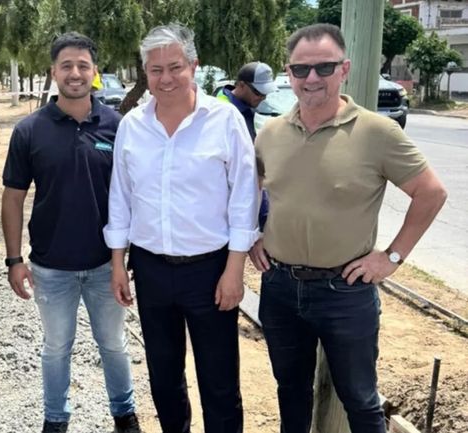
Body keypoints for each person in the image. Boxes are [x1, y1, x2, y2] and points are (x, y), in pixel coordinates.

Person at [250, 23, 448, 433]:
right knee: (290, 391)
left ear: (345, 69)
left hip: (345, 292)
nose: (312, 79)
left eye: (324, 68)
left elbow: (431, 193)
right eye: (301, 70)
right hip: (280, 287)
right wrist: (252, 235)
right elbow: (248, 192)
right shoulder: (270, 134)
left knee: (360, 398)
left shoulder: (378, 132)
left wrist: (391, 257)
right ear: (288, 73)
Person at [104, 24, 259, 433]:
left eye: (175, 67)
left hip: (210, 271)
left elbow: (245, 197)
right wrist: (118, 263)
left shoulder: (224, 120)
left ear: (194, 66)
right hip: (151, 269)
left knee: (220, 381)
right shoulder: (132, 126)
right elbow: (120, 198)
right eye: (155, 70)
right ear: (144, 73)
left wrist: (234, 270)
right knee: (164, 378)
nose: (166, 78)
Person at [1, 32, 141, 433]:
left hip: (105, 266)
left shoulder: (118, 126)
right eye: (67, 66)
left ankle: (124, 415)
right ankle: (56, 420)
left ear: (95, 72)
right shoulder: (30, 130)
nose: (75, 73)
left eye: (83, 65)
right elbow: (13, 199)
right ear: (53, 72)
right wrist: (14, 260)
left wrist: (129, 260)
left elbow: (133, 196)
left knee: (113, 345)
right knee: (56, 348)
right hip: (51, 268)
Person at [215, 61, 278, 230]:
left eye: (265, 93)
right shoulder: (223, 112)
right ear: (241, 85)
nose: (263, 98)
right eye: (258, 92)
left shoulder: (245, 108)